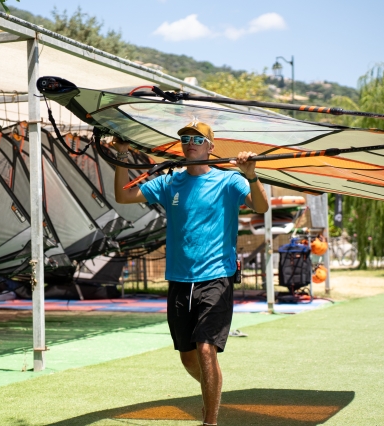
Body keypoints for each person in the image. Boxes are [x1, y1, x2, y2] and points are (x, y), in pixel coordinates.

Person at [113, 120, 269, 426]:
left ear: (211, 146)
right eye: (185, 138)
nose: (190, 142)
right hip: (180, 282)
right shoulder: (169, 183)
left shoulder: (230, 181)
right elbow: (123, 196)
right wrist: (121, 155)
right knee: (188, 356)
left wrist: (251, 176)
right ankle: (213, 390)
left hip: (216, 278)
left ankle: (209, 420)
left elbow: (261, 207)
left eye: (197, 139)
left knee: (206, 348)